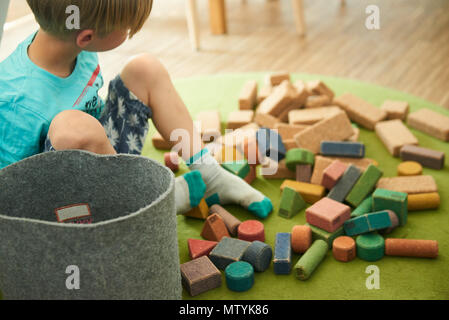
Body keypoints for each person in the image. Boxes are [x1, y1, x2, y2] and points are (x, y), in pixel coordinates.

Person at [0, 0, 272, 218]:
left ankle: (209, 174)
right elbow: (14, 196)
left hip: (107, 161)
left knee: (144, 68)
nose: (130, 33)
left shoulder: (70, 42)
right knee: (72, 126)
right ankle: (142, 202)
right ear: (86, 37)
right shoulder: (16, 101)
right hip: (66, 204)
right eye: (128, 29)